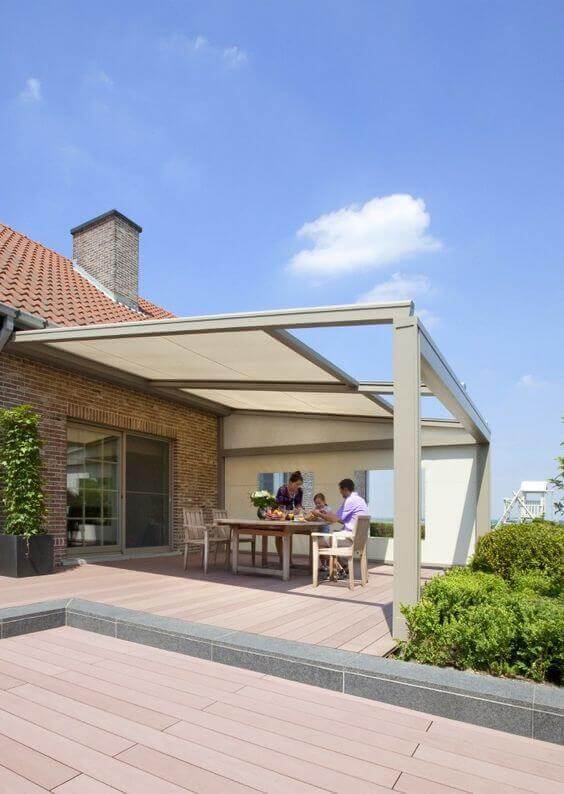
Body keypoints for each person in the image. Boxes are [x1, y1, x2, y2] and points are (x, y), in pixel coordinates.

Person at [312, 478, 369, 579]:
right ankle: (344, 568)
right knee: (330, 538)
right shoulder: (360, 500)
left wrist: (318, 514)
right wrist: (326, 514)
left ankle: (338, 571)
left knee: (319, 543)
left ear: (345, 489)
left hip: (349, 539)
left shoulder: (349, 500)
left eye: (341, 490)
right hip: (359, 539)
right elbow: (341, 520)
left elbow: (334, 519)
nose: (340, 493)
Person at [274, 471, 304, 563]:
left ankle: (289, 559)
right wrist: (288, 512)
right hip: (280, 515)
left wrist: (299, 509)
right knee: (278, 536)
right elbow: (279, 506)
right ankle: (282, 558)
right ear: (291, 482)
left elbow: (298, 504)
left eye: (300, 485)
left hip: (291, 516)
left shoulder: (299, 491)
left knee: (289, 534)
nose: (298, 487)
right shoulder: (282, 489)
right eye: (297, 484)